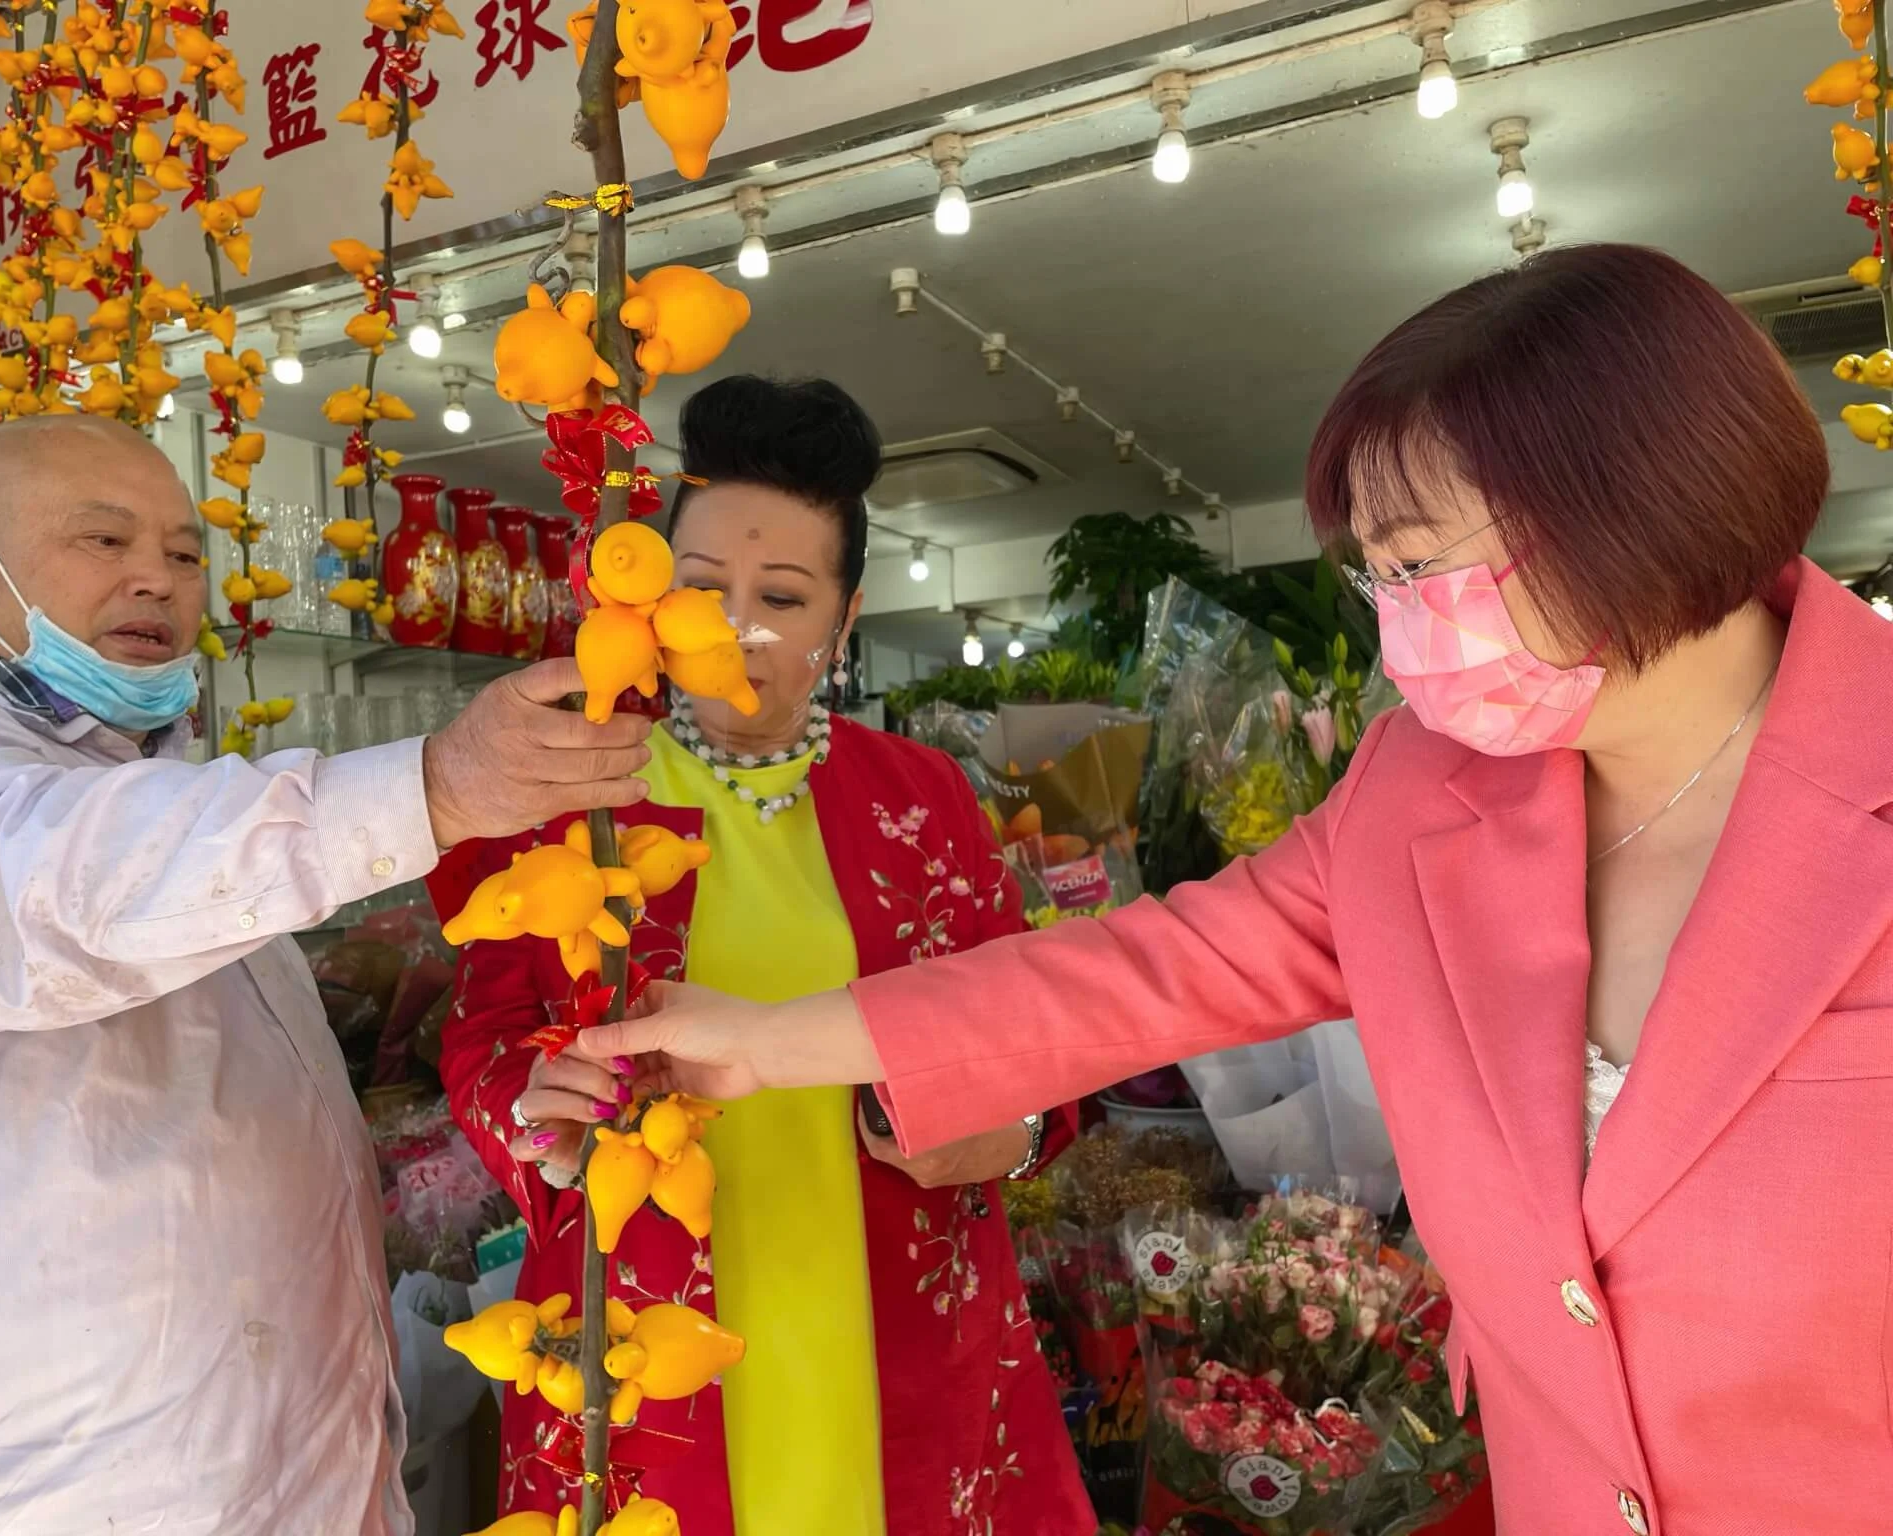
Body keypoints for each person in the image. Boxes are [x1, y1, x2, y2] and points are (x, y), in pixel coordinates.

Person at [582, 245, 1893, 1535]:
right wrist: (765, 1042)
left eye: (1421, 567)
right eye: (1375, 575)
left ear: (1631, 502)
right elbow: (1147, 974)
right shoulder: (1424, 793)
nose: (1400, 624)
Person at [0, 414, 653, 1534]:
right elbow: (51, 888)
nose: (157, 578)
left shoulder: (161, 788)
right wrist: (433, 788)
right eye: (104, 540)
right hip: (50, 1493)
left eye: (184, 552)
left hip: (280, 1469)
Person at [426, 377, 1092, 1536]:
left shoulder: (922, 796)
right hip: (645, 1322)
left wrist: (1020, 1133)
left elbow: (1028, 1027)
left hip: (902, 1305)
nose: (734, 627)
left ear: (846, 614)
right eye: (698, 588)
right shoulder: (569, 790)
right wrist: (538, 1113)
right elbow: (484, 1035)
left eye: (781, 596)